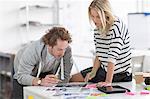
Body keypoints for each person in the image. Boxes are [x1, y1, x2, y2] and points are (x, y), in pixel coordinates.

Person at [70, 0, 132, 86]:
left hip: (119, 73)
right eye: (92, 16)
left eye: (98, 17)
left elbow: (112, 57)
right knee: (72, 79)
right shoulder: (97, 29)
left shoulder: (116, 26)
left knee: (76, 80)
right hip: (104, 69)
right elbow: (99, 54)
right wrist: (93, 72)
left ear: (106, 14)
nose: (95, 20)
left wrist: (108, 82)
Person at [12, 27, 73, 99]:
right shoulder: (32, 51)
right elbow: (21, 76)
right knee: (23, 95)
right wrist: (40, 81)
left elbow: (65, 77)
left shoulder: (66, 50)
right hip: (22, 72)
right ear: (49, 45)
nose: (63, 53)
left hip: (45, 70)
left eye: (64, 49)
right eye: (59, 49)